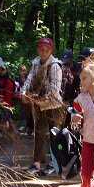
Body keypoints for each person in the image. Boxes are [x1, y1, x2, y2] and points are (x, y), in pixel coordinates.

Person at [20, 38, 64, 176]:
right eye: (41, 49)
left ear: (51, 50)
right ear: (38, 50)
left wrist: (42, 100)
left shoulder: (55, 66)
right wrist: (24, 93)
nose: (43, 52)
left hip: (53, 106)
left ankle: (54, 163)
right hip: (39, 104)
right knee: (39, 134)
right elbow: (29, 80)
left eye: (46, 49)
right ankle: (36, 164)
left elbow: (55, 89)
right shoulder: (35, 63)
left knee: (54, 134)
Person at [17, 64, 34, 135]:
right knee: (22, 112)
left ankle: (30, 129)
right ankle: (23, 127)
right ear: (19, 71)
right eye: (21, 70)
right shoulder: (17, 79)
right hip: (21, 99)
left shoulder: (29, 79)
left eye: (24, 70)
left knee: (30, 114)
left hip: (28, 99)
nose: (23, 72)